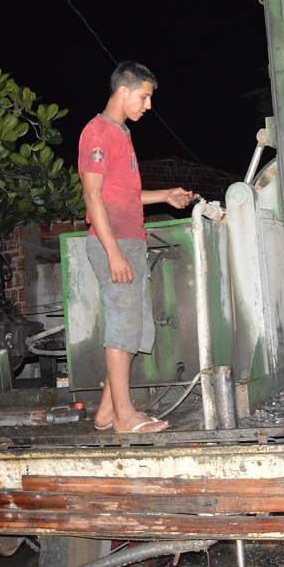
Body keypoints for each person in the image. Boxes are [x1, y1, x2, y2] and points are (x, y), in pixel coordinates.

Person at [78, 61, 196, 434]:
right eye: (144, 97)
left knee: (134, 328)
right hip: (113, 242)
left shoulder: (122, 133)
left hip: (131, 240)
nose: (148, 105)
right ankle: (125, 417)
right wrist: (113, 253)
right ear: (123, 91)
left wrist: (166, 195)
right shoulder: (97, 133)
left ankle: (107, 412)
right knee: (123, 326)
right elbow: (93, 197)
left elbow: (124, 196)